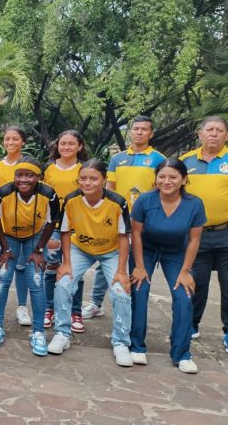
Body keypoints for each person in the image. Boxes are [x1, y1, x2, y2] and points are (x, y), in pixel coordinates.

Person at [47, 159, 134, 367]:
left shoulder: (118, 202)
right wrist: (66, 263)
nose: (87, 183)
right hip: (80, 249)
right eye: (83, 178)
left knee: (121, 292)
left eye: (93, 179)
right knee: (63, 284)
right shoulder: (71, 200)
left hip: (111, 251)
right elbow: (65, 233)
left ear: (103, 180)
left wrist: (122, 270)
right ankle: (62, 332)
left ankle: (121, 342)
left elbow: (124, 237)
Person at [83, 116, 165, 320]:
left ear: (151, 133)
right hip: (118, 218)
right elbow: (109, 189)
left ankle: (131, 308)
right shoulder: (117, 159)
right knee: (106, 261)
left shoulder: (158, 159)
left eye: (144, 129)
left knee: (133, 263)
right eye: (135, 128)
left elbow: (161, 190)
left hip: (144, 220)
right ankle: (96, 302)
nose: (139, 132)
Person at [129, 159, 205, 373]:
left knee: (184, 295)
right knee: (139, 289)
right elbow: (135, 233)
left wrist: (185, 271)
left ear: (183, 180)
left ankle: (182, 353)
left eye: (173, 177)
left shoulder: (194, 204)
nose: (167, 181)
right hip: (147, 248)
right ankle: (136, 345)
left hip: (176, 252)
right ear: (155, 178)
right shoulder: (144, 200)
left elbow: (194, 240)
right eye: (162, 176)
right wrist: (140, 266)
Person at [0, 158, 57, 356]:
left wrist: (39, 250)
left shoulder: (49, 194)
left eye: (29, 175)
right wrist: (5, 248)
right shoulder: (2, 193)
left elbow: (51, 223)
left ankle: (38, 332)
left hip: (35, 238)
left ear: (38, 177)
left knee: (37, 281)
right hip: (10, 238)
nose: (23, 180)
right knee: (3, 279)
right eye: (19, 175)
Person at [180, 115, 228, 351]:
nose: (214, 133)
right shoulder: (185, 161)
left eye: (219, 130)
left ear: (226, 136)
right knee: (196, 283)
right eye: (209, 129)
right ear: (200, 134)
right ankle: (191, 325)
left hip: (225, 233)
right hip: (196, 236)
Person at [0, 126, 31, 326]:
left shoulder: (29, 166)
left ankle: (21, 307)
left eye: (15, 139)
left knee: (20, 266)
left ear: (23, 142)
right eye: (7, 139)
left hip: (23, 225)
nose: (10, 142)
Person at [42, 130, 89, 332]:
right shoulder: (49, 169)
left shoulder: (83, 169)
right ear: (57, 145)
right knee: (51, 267)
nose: (67, 147)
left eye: (71, 144)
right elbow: (42, 198)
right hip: (53, 225)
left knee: (74, 270)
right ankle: (49, 308)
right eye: (63, 143)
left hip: (76, 227)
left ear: (80, 146)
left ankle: (74, 311)